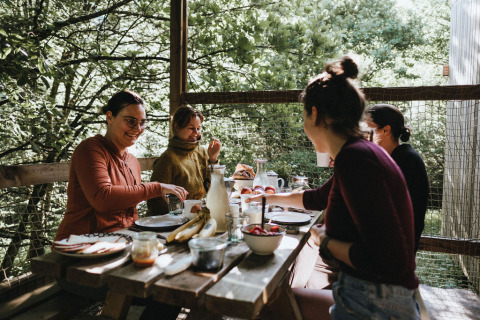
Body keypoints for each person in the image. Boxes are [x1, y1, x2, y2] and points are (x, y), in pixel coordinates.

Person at [247, 56, 420, 319]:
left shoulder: (356, 159)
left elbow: (390, 261)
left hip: (376, 304)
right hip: (366, 295)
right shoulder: (358, 153)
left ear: (315, 113)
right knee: (273, 301)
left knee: (267, 305)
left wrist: (325, 241)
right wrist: (267, 199)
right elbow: (318, 198)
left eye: (303, 115)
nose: (303, 125)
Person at [55, 90, 188, 241]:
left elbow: (131, 213)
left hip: (118, 242)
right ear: (110, 117)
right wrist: (157, 188)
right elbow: (103, 198)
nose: (138, 129)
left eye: (142, 122)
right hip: (79, 244)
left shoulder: (132, 161)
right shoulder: (90, 149)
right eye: (131, 121)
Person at [365, 104, 429, 253]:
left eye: (368, 128)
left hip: (395, 251)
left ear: (386, 130)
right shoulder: (393, 156)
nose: (363, 134)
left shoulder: (406, 160)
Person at [147, 105, 221, 215]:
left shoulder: (202, 152)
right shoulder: (167, 159)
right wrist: (180, 211)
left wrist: (213, 159)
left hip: (194, 215)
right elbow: (154, 203)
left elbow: (214, 189)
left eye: (198, 128)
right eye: (191, 128)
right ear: (177, 127)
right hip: (170, 221)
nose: (196, 132)